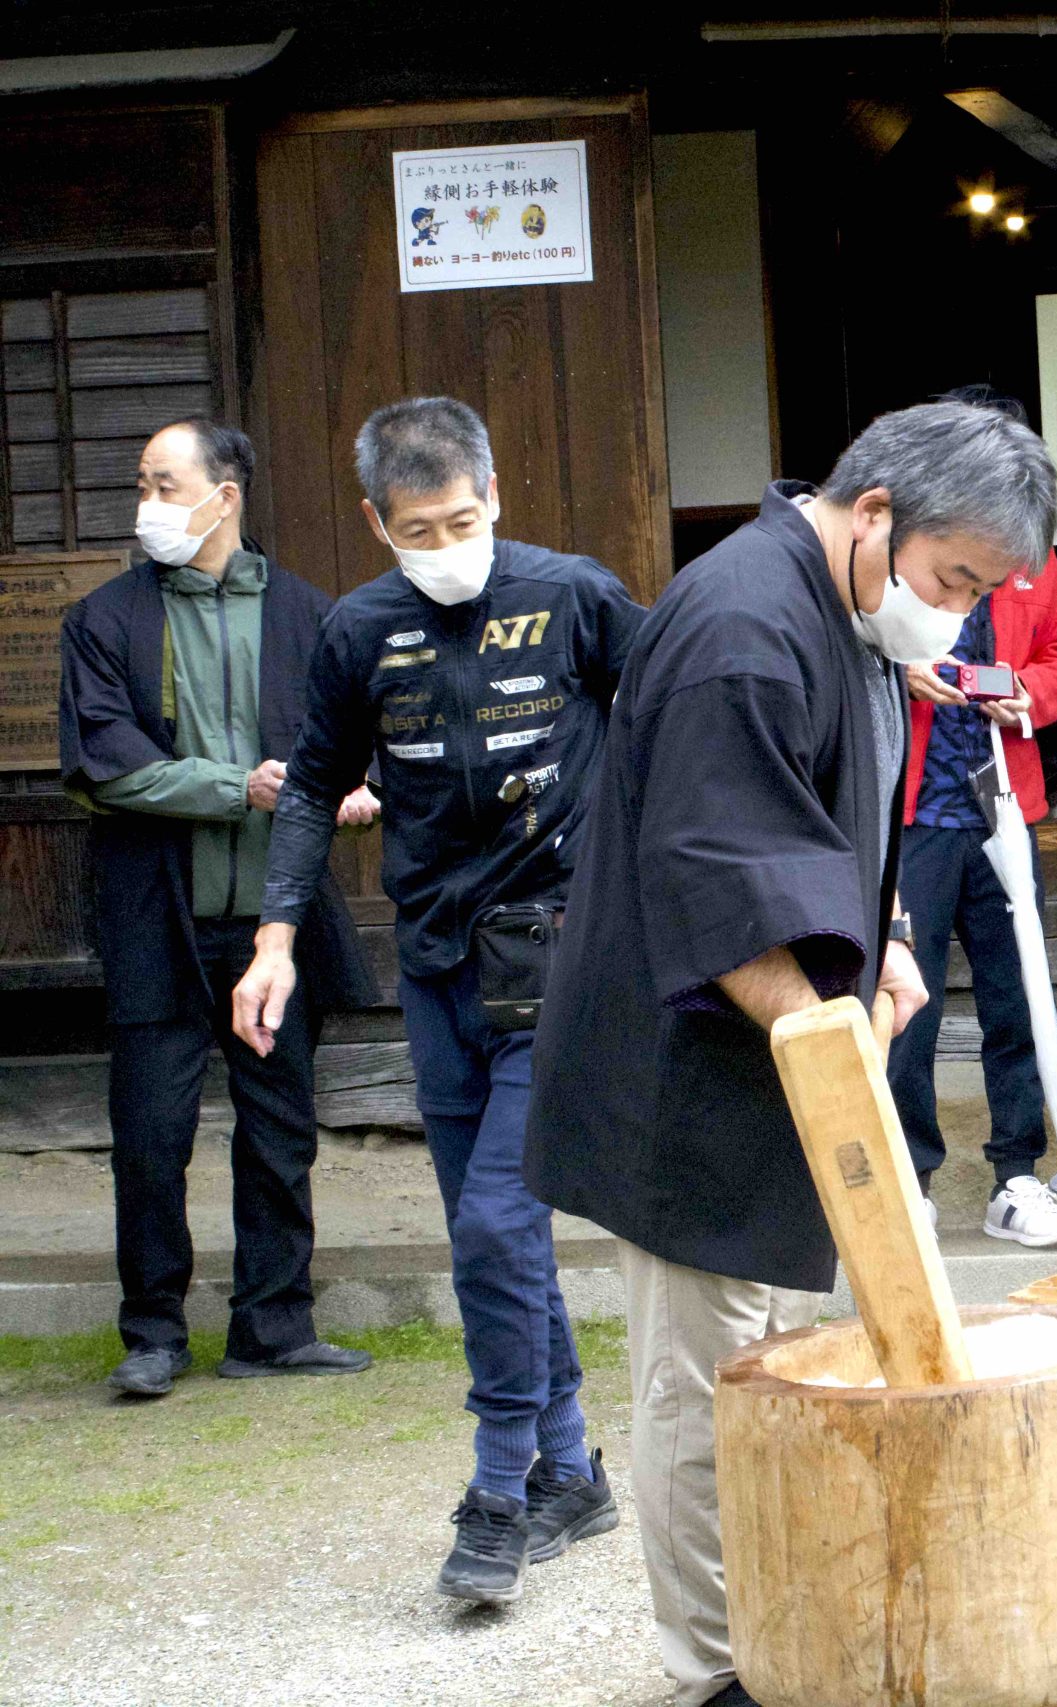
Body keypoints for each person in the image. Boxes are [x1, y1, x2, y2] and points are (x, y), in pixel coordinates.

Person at [524, 400, 1056, 1707]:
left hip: (786, 1053)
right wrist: (834, 1049)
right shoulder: (742, 631)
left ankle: (782, 1628)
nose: (959, 611)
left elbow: (827, 821)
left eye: (983, 589)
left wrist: (880, 934)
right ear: (876, 513)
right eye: (955, 579)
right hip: (692, 1068)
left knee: (780, 1378)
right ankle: (717, 1669)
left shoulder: (852, 612)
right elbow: (713, 890)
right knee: (710, 1391)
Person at [231, 396, 645, 1603]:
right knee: (491, 1230)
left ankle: (499, 1487)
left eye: (463, 518)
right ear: (377, 521)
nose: (447, 543)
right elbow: (312, 787)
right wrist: (275, 942)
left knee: (492, 1228)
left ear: (497, 493)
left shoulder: (574, 595)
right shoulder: (358, 630)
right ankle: (573, 1469)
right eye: (419, 529)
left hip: (563, 954)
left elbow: (678, 714)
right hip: (438, 962)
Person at [57, 419, 378, 1400]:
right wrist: (240, 785)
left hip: (272, 926)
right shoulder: (104, 620)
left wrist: (355, 794)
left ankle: (274, 1324)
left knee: (280, 1125)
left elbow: (349, 753)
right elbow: (104, 765)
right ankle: (153, 1331)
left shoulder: (309, 615)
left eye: (164, 484)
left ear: (223, 495)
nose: (147, 504)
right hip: (157, 914)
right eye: (143, 485)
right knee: (149, 1135)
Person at [891, 387, 1057, 1248]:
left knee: (1018, 996)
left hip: (1005, 803)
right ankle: (909, 1179)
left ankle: (1018, 1175)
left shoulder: (1038, 558)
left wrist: (1027, 700)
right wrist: (902, 674)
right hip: (911, 812)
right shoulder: (903, 547)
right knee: (906, 1002)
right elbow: (848, 643)